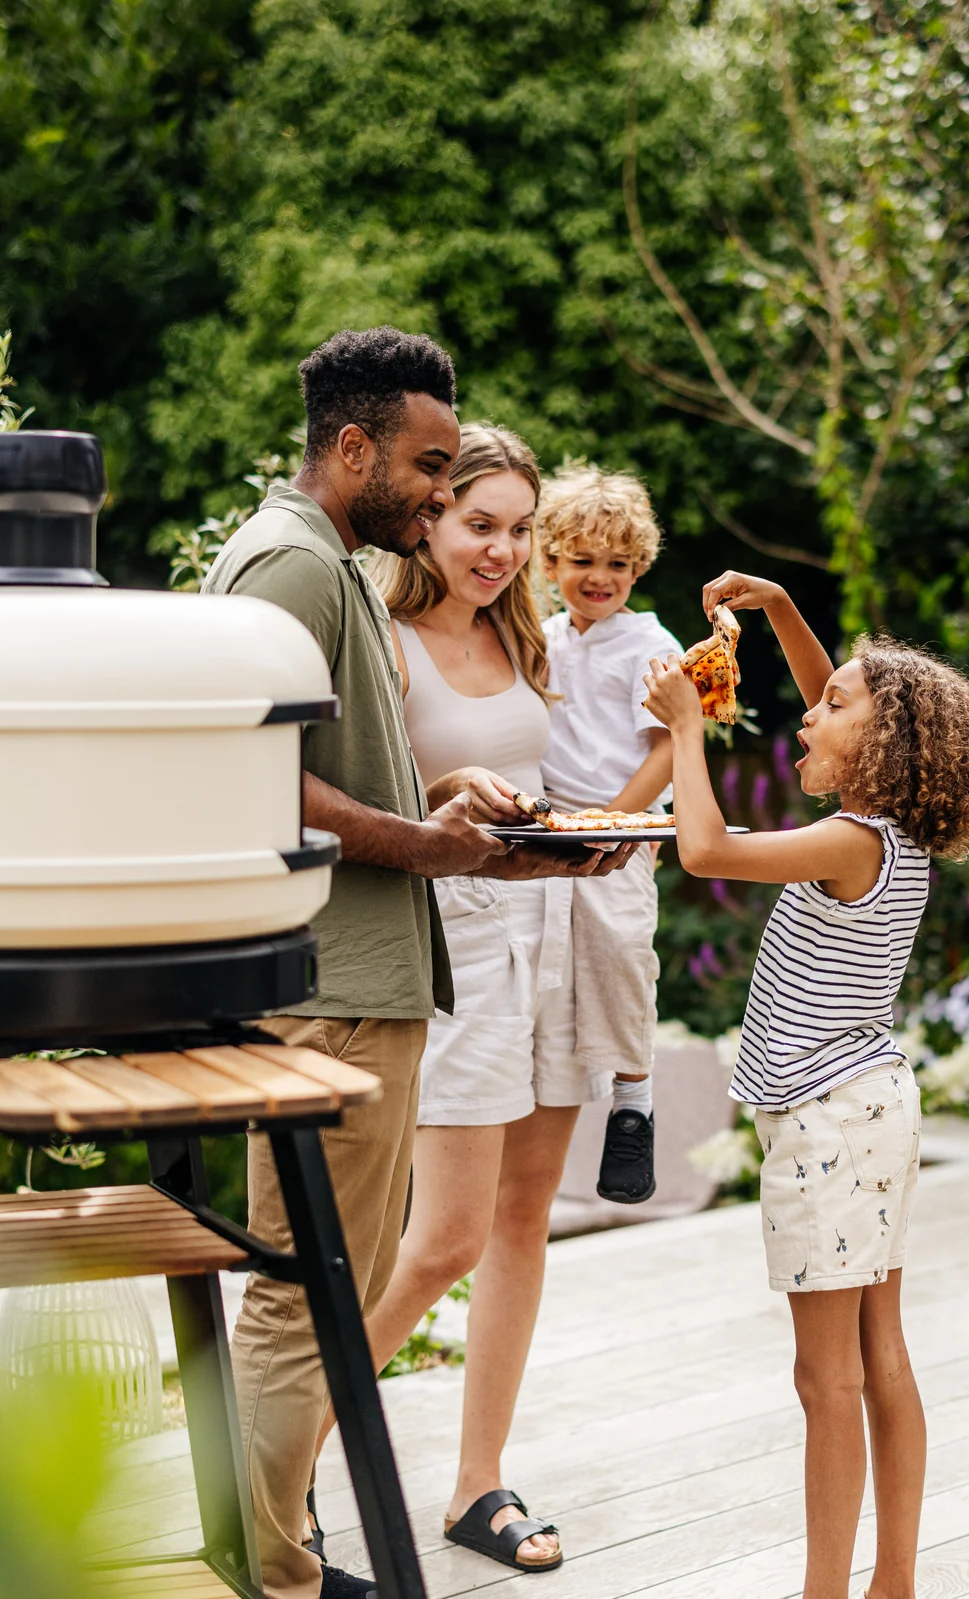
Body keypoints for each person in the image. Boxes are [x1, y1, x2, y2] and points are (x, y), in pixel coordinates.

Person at [200, 332, 628, 1599]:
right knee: (304, 1293)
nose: (441, 501)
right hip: (330, 986)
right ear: (353, 448)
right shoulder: (293, 567)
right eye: (431, 471)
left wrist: (444, 801)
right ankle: (274, 1569)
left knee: (323, 1283)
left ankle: (270, 1548)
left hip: (362, 978)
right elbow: (238, 769)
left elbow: (329, 769)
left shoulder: (327, 560)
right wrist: (436, 851)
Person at [641, 571, 969, 1599]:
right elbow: (845, 702)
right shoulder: (887, 831)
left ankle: (824, 1591)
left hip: (824, 1128)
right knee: (880, 1353)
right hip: (871, 1111)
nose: (807, 714)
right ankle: (889, 1581)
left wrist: (684, 724)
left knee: (825, 1379)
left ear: (879, 749)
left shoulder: (846, 842)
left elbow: (707, 848)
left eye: (829, 707)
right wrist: (777, 613)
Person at [341, 423, 614, 1576]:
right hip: (443, 950)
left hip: (545, 936)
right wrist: (450, 782)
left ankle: (475, 1483)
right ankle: (286, 1453)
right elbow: (373, 799)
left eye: (516, 530)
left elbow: (546, 782)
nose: (499, 551)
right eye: (476, 524)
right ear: (430, 519)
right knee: (443, 1236)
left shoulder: (526, 639)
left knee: (520, 1219)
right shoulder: (382, 641)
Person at [535, 467, 683, 1204]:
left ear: (639, 568)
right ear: (552, 560)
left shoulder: (650, 643)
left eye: (618, 564)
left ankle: (634, 1101)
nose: (601, 577)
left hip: (621, 821)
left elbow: (665, 747)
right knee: (550, 964)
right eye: (583, 559)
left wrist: (619, 818)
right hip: (546, 818)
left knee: (622, 951)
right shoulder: (540, 637)